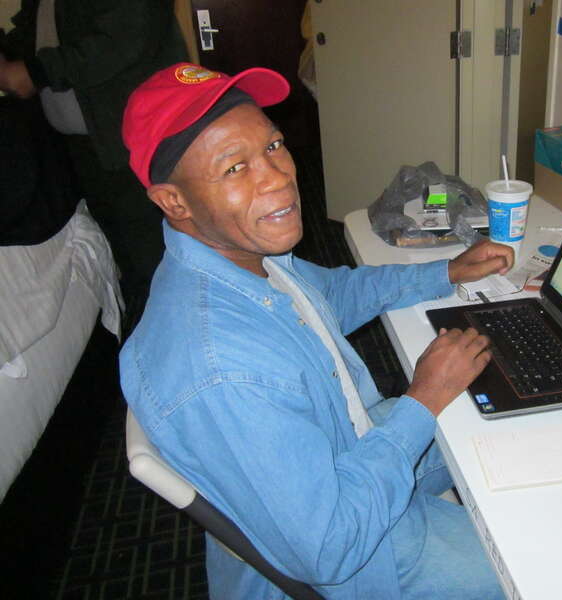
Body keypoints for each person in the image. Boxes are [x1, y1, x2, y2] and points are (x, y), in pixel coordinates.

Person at [120, 62, 513, 600]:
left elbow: (328, 297)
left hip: (351, 452)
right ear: (174, 201)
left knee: (512, 419)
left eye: (273, 146)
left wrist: (442, 272)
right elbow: (329, 547)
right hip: (357, 553)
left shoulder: (243, 257)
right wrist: (423, 399)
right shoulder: (220, 367)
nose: (278, 177)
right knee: (538, 567)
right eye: (235, 168)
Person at [0, 0, 187, 333]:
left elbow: (124, 37)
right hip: (87, 147)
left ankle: (179, 347)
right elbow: (37, 32)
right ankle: (148, 346)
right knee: (125, 256)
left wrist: (37, 71)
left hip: (135, 139)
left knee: (155, 255)